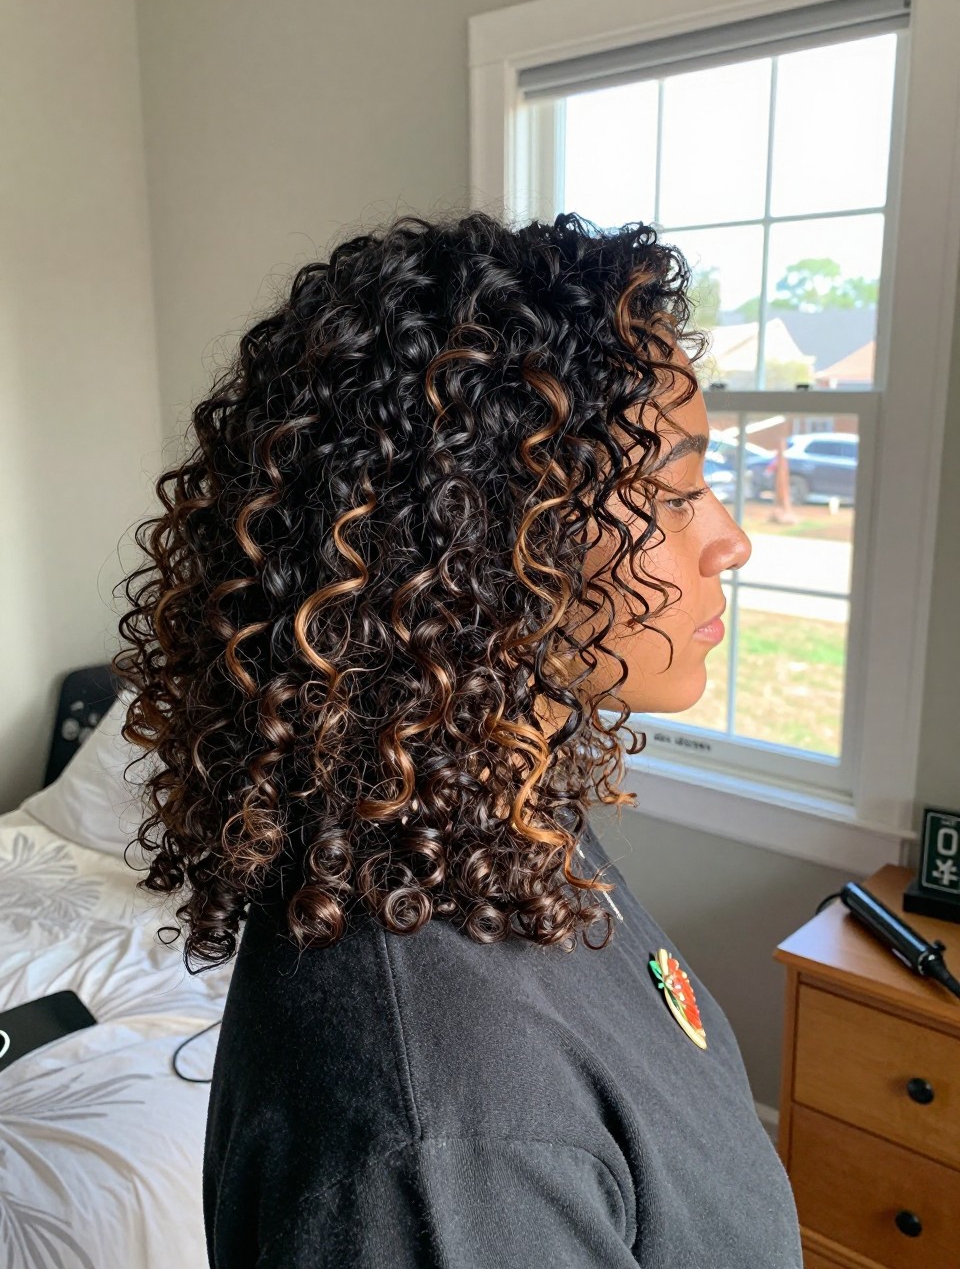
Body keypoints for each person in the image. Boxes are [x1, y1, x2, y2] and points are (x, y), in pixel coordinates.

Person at [112, 211, 804, 1266]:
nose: (732, 540)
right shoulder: (444, 1141)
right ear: (481, 539)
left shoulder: (482, 812)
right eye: (673, 492)